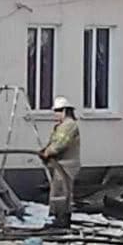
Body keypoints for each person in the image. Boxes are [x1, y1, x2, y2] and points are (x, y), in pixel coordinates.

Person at [39, 97, 81, 229]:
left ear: (65, 111)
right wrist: (45, 150)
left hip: (66, 165)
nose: (56, 114)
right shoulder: (62, 126)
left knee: (62, 192)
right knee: (59, 192)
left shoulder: (69, 125)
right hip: (61, 164)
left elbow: (61, 144)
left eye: (58, 110)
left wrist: (48, 152)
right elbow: (54, 142)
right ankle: (59, 218)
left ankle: (62, 220)